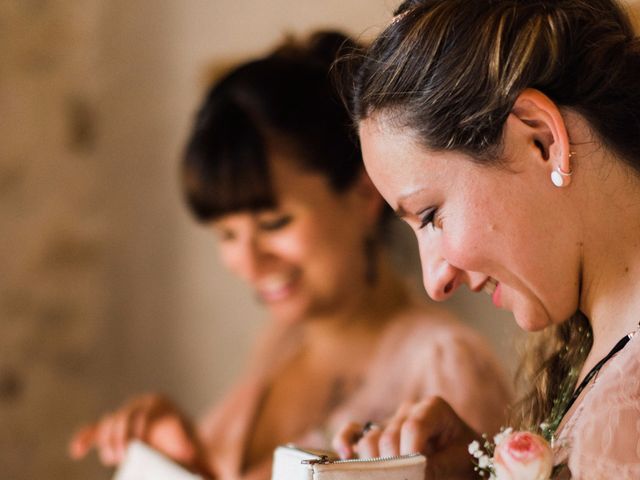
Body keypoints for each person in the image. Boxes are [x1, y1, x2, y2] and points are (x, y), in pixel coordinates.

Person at [68, 31, 511, 480]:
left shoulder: (445, 363)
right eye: (225, 233)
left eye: (273, 224)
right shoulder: (280, 345)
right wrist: (183, 463)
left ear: (363, 191)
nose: (248, 261)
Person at [331, 1, 640, 478]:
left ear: (540, 139)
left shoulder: (627, 413)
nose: (436, 281)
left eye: (432, 215)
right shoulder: (609, 360)